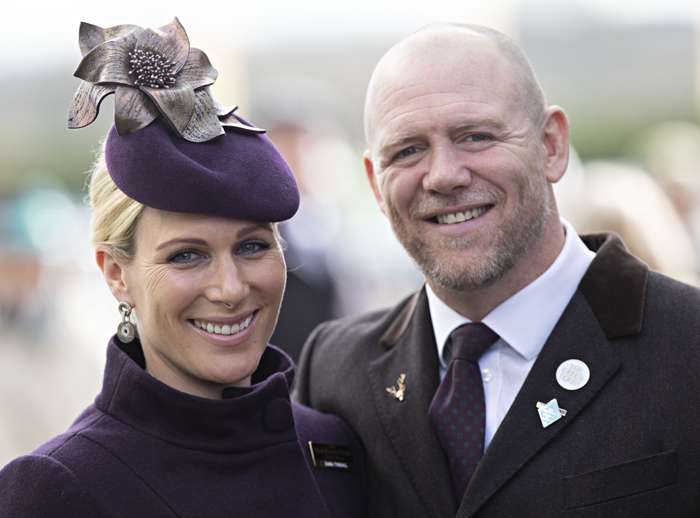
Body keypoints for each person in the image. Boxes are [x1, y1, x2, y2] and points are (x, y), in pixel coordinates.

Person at [294, 23, 700, 517]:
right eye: (408, 150)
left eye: (475, 136)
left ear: (551, 146)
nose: (444, 175)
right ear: (375, 184)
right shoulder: (335, 371)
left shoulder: (687, 345)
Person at [0, 19, 366, 518]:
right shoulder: (57, 488)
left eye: (252, 247)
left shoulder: (336, 451)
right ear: (115, 274)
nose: (230, 288)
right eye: (186, 255)